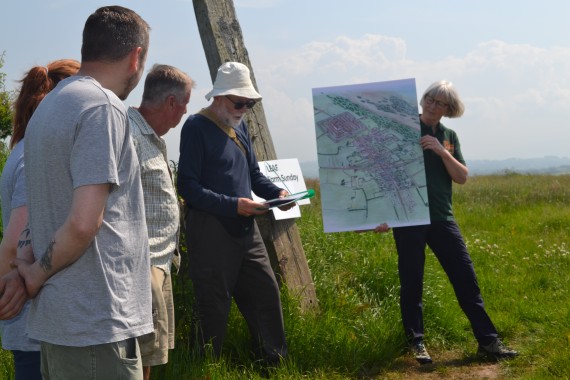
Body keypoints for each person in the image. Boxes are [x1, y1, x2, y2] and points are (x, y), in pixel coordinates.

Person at [11, 6, 153, 379]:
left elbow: (42, 206)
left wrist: (27, 264)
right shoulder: (102, 107)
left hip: (63, 323)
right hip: (95, 321)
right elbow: (83, 223)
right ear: (136, 56)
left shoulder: (49, 108)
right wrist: (35, 275)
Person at [374, 80, 518, 364]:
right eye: (430, 98)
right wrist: (380, 214)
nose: (432, 105)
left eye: (440, 103)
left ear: (448, 109)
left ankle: (488, 342)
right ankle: (417, 344)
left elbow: (462, 177)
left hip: (442, 217)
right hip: (409, 217)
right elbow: (379, 171)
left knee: (465, 277)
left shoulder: (449, 135)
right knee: (412, 282)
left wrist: (442, 151)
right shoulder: (400, 129)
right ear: (422, 99)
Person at [177, 61, 291, 366]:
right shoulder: (195, 127)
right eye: (239, 102)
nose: (244, 108)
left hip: (246, 230)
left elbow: (253, 174)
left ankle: (274, 365)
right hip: (210, 232)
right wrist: (233, 205)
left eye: (249, 103)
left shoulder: (241, 126)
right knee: (213, 307)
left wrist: (278, 194)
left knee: (266, 295)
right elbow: (187, 186)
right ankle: (204, 368)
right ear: (219, 97)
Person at [0, 59, 80, 380]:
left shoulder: (22, 149)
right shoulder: (37, 154)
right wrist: (17, 285)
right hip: (38, 330)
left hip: (34, 327)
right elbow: (15, 243)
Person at [128, 63, 194, 380]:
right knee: (137, 355)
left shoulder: (151, 136)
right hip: (143, 264)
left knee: (150, 352)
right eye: (184, 106)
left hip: (160, 261)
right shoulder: (130, 134)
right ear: (170, 102)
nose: (183, 115)